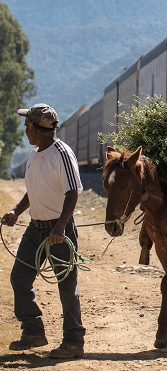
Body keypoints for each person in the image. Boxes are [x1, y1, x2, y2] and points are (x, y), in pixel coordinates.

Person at [1, 103, 86, 358]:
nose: (25, 130)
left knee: (66, 286)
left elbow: (72, 192)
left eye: (27, 125)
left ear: (36, 128)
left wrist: (60, 225)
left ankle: (74, 342)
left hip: (58, 230)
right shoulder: (35, 154)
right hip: (35, 229)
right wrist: (16, 211)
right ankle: (33, 331)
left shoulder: (62, 153)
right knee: (19, 278)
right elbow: (34, 189)